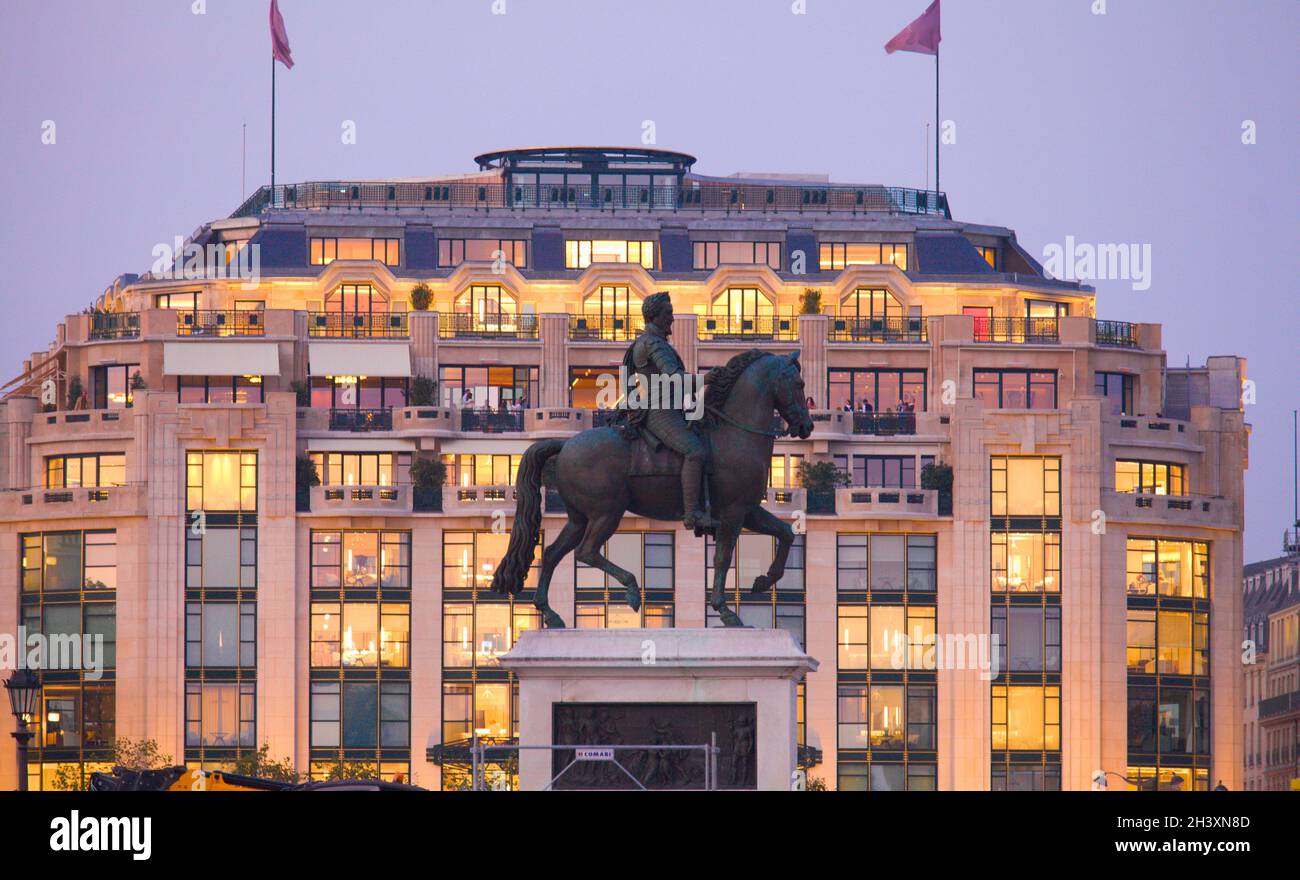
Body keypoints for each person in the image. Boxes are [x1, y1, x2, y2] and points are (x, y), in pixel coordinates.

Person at [623, 292, 716, 531]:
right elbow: (675, 377)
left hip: (671, 408)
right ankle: (692, 513)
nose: (672, 318)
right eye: (668, 313)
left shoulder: (654, 341)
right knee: (695, 451)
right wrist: (706, 379)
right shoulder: (652, 343)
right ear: (655, 316)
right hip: (660, 412)